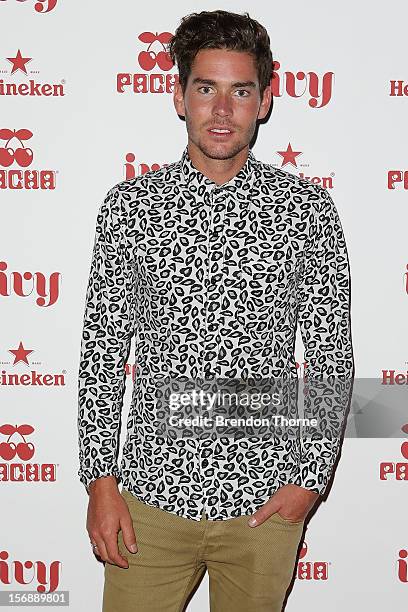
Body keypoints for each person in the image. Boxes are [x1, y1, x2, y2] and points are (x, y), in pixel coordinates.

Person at [77, 9, 354, 612]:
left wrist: (309, 479)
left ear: (266, 99)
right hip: (147, 502)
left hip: (263, 511)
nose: (222, 110)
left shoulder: (306, 211)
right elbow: (101, 352)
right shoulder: (132, 208)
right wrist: (99, 481)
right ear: (179, 97)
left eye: (240, 91)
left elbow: (331, 356)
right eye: (206, 88)